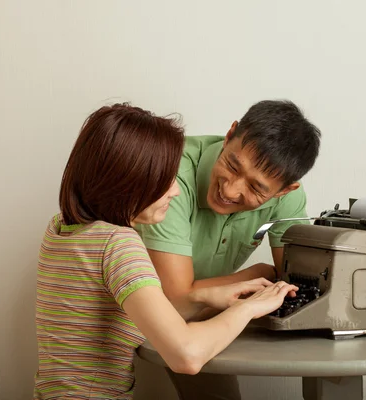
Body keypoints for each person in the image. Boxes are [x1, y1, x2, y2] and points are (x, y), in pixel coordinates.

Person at [33, 103, 298, 400]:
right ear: (128, 179)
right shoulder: (118, 245)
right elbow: (187, 355)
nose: (175, 191)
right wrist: (248, 308)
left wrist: (200, 296)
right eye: (165, 178)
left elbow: (132, 315)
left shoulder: (62, 229)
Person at [136, 99, 321, 400]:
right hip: (126, 318)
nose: (231, 190)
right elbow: (174, 300)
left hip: (198, 315)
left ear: (285, 190)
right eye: (232, 165)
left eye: (256, 189)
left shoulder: (285, 199)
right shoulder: (171, 175)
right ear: (230, 133)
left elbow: (295, 281)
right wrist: (256, 274)